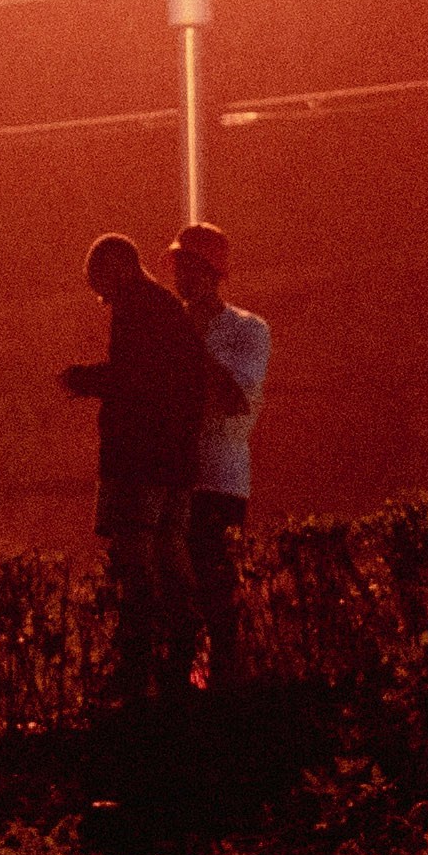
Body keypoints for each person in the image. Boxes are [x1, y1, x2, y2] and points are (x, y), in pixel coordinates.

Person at [60, 232, 206, 705]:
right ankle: (181, 662)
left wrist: (84, 380)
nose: (100, 293)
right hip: (175, 459)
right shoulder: (167, 308)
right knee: (170, 553)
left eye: (100, 280)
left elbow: (135, 379)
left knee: (137, 558)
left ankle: (139, 669)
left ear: (116, 268)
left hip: (138, 458)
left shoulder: (135, 309)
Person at [170, 222, 272, 687]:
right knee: (176, 589)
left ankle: (227, 675)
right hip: (173, 478)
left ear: (212, 271)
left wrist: (192, 344)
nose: (180, 276)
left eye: (188, 264)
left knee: (216, 582)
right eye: (177, 265)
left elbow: (236, 395)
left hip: (221, 478)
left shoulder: (248, 329)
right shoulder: (168, 327)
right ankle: (182, 677)